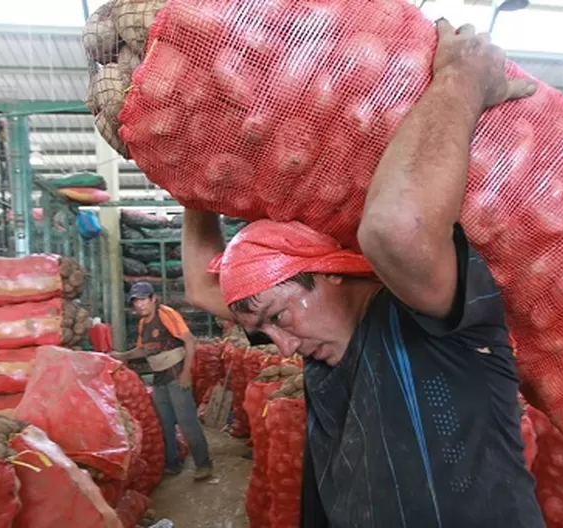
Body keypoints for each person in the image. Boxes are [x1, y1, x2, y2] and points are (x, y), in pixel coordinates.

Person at [180, 22, 543, 527]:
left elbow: (394, 228)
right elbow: (201, 286)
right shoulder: (318, 333)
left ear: (327, 272)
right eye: (267, 329)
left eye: (279, 316)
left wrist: (463, 78)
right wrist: (192, 175)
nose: (282, 348)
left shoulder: (423, 307)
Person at [112, 282, 213, 481]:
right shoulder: (143, 324)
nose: (139, 305)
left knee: (187, 422)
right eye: (135, 301)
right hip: (159, 377)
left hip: (176, 374)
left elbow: (190, 341)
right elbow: (143, 349)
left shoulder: (166, 314)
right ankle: (172, 464)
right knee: (164, 423)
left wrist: (186, 373)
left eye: (143, 299)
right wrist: (122, 355)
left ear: (153, 299)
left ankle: (204, 464)